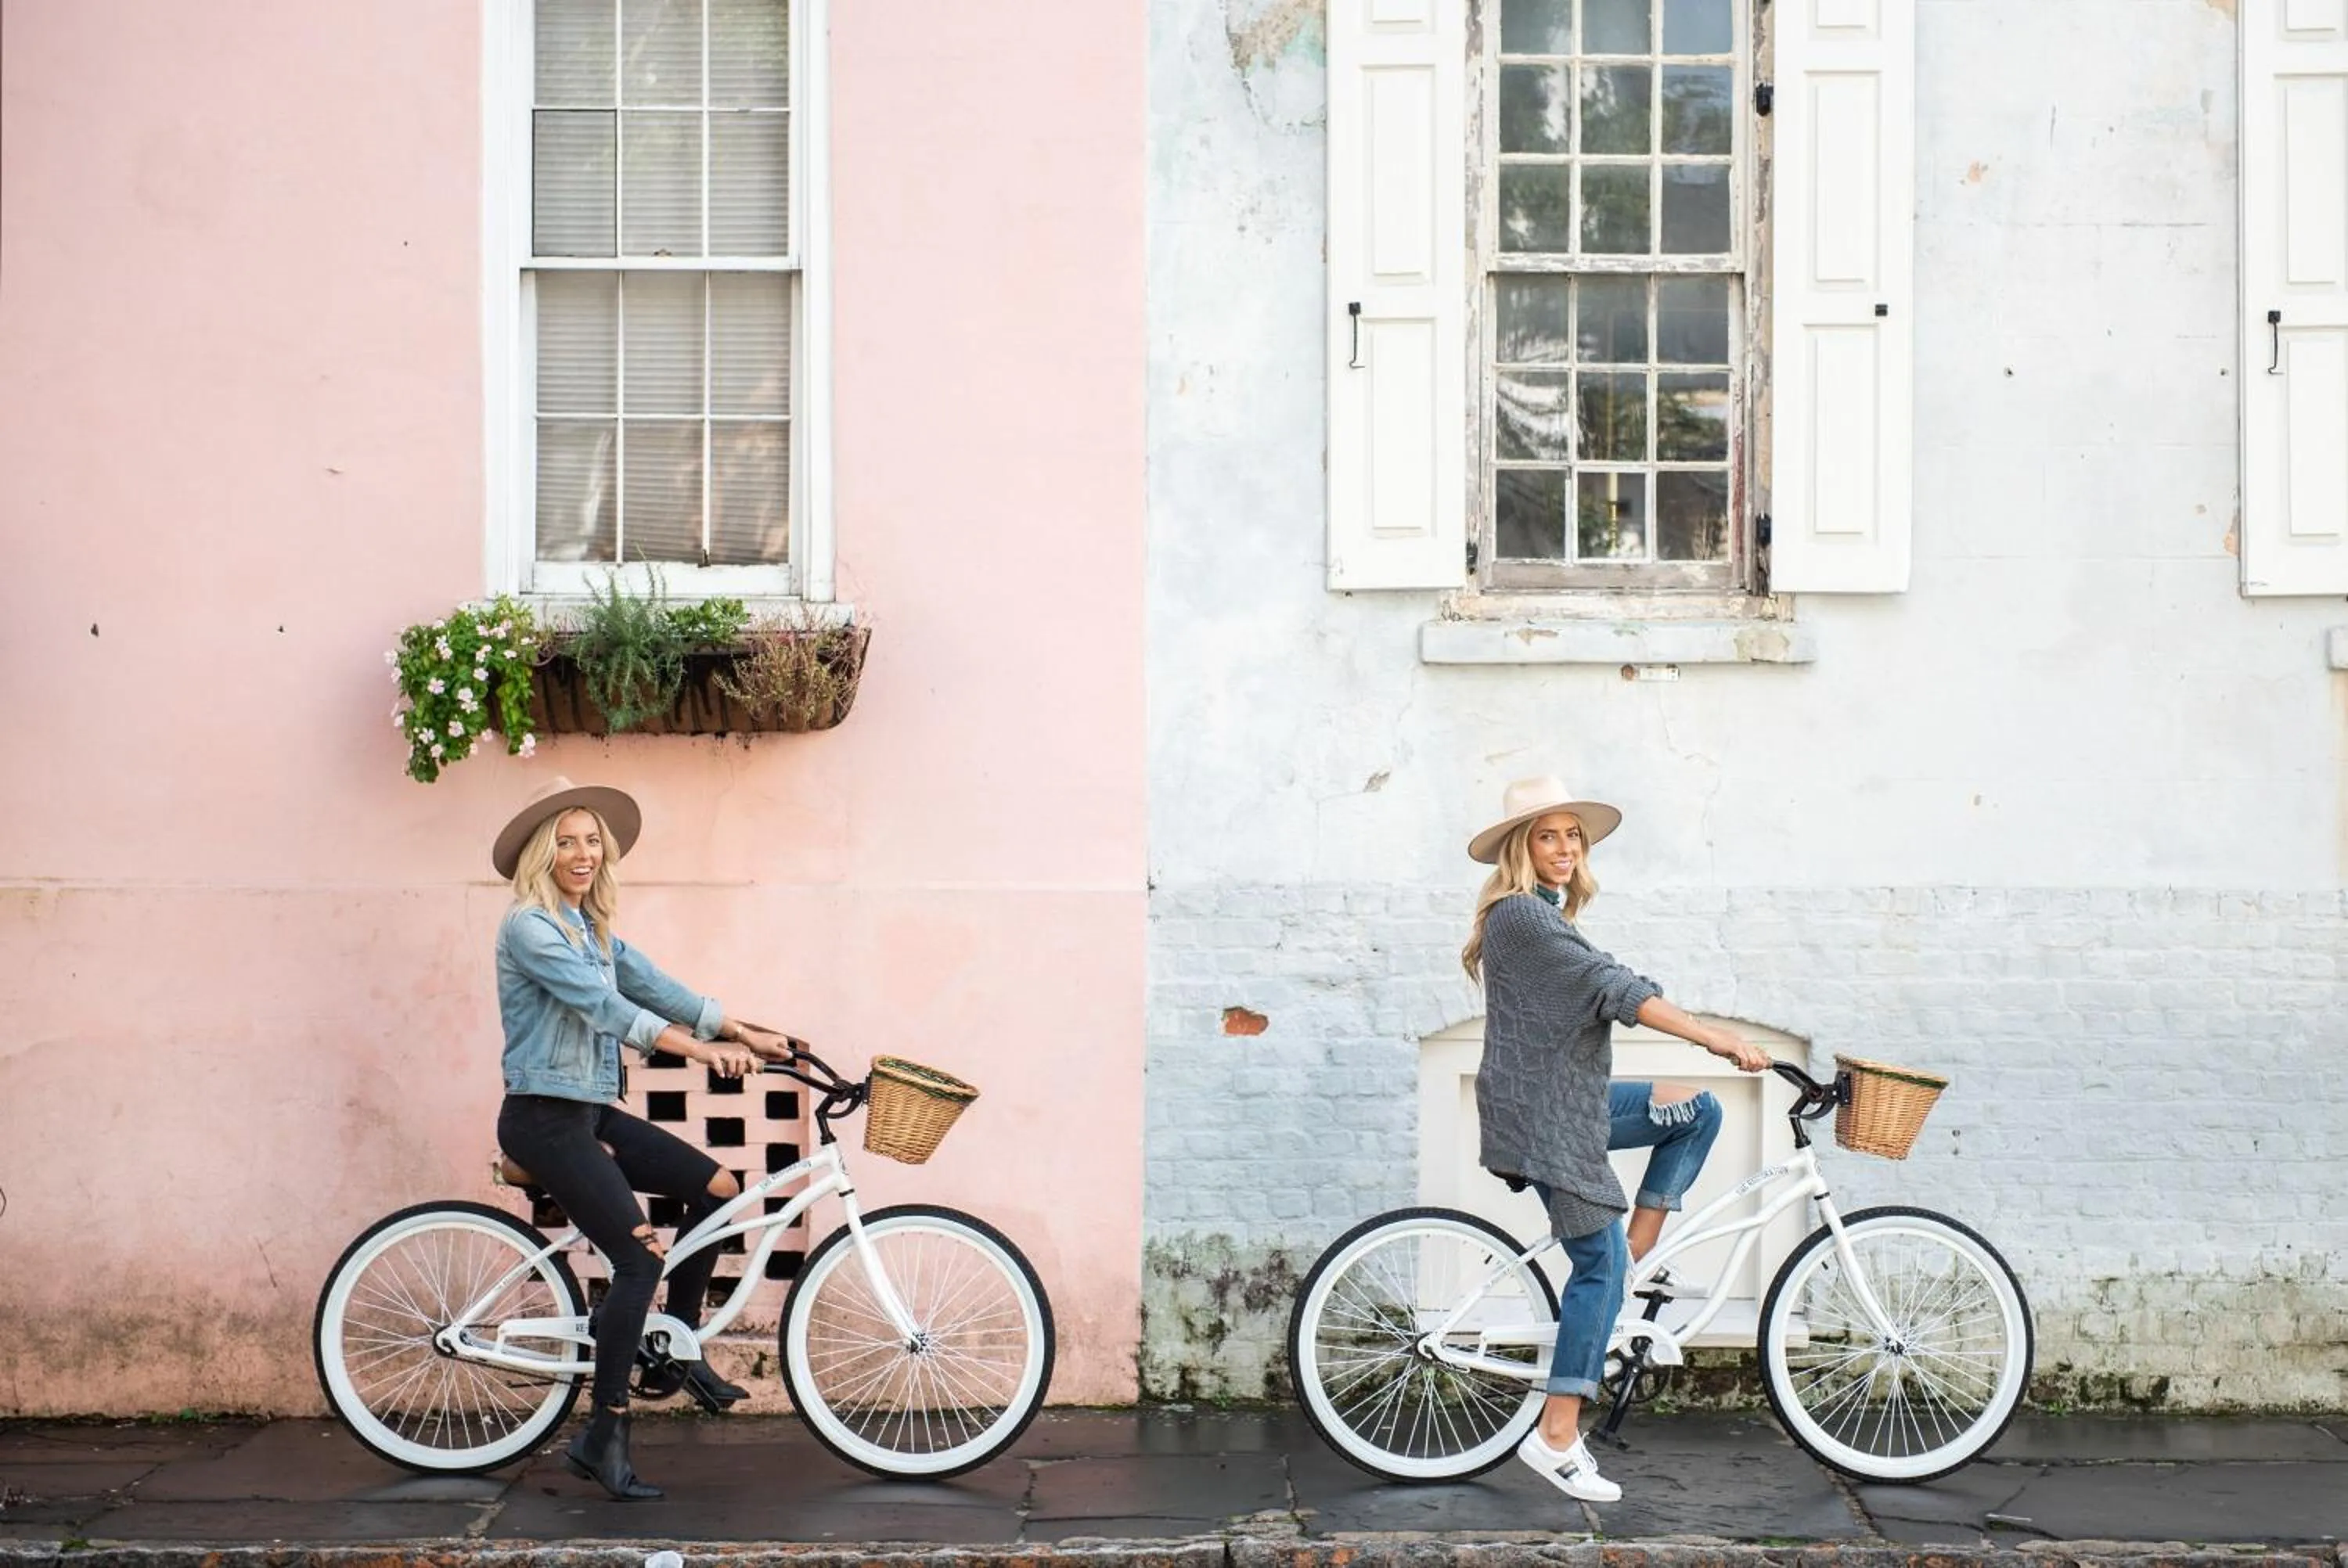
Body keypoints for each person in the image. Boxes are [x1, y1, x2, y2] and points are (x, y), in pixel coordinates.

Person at [1461, 776, 1770, 1506]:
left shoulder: (1545, 915)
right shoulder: (1520, 918)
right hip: (1543, 1117)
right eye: (1548, 835)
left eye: (1573, 835)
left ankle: (1636, 1253)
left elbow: (1600, 985)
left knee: (1696, 1111)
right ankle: (1556, 1433)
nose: (1565, 848)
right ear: (1520, 848)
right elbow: (1612, 987)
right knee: (1593, 1267)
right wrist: (1715, 1038)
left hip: (1574, 1103)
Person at [490, 777, 796, 1501]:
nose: (582, 852)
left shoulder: (594, 930)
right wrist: (700, 1052)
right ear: (543, 853)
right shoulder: (530, 927)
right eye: (566, 841)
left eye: (592, 840)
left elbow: (662, 989)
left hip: (590, 1112)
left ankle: (675, 1353)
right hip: (543, 1117)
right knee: (638, 1258)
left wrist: (748, 1032)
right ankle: (604, 1432)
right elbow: (606, 1007)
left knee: (721, 1191)